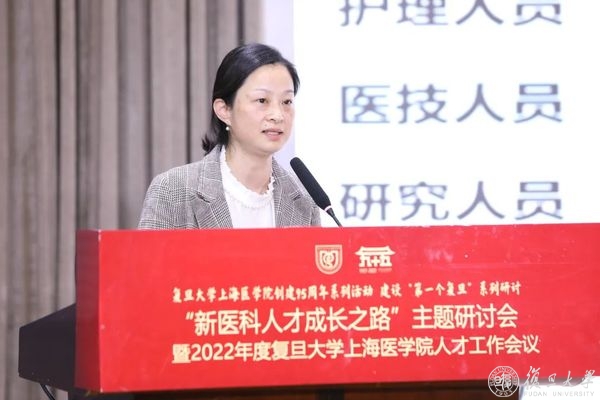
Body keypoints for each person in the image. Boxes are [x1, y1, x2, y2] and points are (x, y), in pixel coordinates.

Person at [138, 42, 321, 229]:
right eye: (262, 100)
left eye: (287, 101)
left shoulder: (305, 200)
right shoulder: (172, 190)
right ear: (224, 110)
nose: (278, 115)